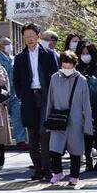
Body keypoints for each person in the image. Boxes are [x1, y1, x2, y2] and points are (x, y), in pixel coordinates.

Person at [14, 23, 60, 181]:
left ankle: (48, 168)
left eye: (32, 36)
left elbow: (56, 76)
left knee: (44, 133)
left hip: (46, 97)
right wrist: (22, 96)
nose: (29, 39)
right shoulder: (20, 57)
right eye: (26, 37)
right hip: (29, 99)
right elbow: (17, 81)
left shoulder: (49, 54)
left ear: (38, 36)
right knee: (32, 135)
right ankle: (37, 168)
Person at [47, 51, 93, 186]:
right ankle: (57, 172)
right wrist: (48, 120)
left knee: (76, 150)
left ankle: (74, 176)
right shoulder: (54, 78)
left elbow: (86, 104)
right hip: (58, 119)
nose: (67, 66)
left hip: (76, 119)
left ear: (74, 64)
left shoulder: (81, 80)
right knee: (54, 149)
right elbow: (50, 99)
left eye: (70, 63)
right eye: (64, 63)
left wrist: (88, 125)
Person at [77, 42, 97, 171]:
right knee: (85, 135)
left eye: (88, 53)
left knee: (96, 134)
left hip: (96, 105)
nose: (85, 56)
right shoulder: (78, 68)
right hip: (81, 106)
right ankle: (88, 160)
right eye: (83, 53)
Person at [0, 37, 28, 149]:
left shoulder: (14, 59)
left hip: (15, 93)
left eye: (10, 43)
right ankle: (2, 141)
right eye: (7, 43)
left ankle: (21, 140)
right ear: (1, 46)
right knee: (2, 119)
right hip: (3, 94)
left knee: (17, 116)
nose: (10, 45)